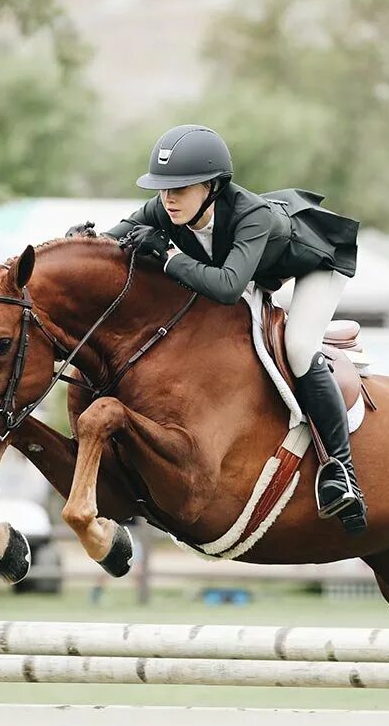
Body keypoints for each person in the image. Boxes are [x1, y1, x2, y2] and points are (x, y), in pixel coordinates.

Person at [68, 124, 366, 534]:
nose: (168, 199)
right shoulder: (166, 208)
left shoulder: (252, 215)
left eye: (180, 189)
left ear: (212, 186)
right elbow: (114, 241)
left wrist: (170, 258)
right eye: (162, 189)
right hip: (260, 271)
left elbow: (227, 286)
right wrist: (84, 240)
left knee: (298, 347)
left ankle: (342, 472)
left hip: (316, 265)